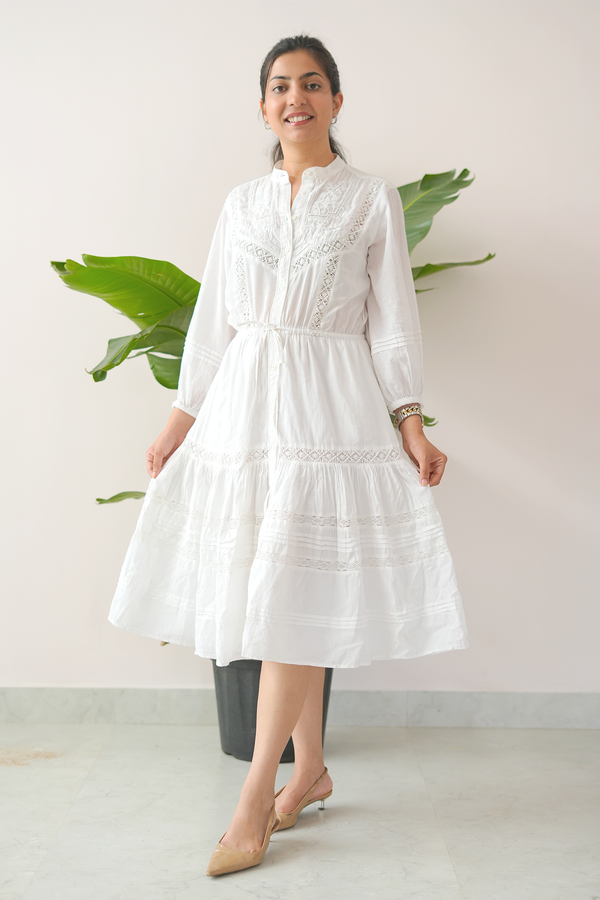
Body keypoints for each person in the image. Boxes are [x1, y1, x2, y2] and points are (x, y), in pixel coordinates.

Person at [108, 33, 469, 877]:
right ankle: (309, 771)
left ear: (337, 101)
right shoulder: (241, 204)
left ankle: (254, 801)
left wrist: (409, 421)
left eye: (312, 84)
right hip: (245, 410)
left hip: (331, 409)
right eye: (279, 86)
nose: (295, 97)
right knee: (283, 592)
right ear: (262, 106)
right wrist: (178, 423)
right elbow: (213, 326)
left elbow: (391, 323)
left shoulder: (371, 198)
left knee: (291, 589)